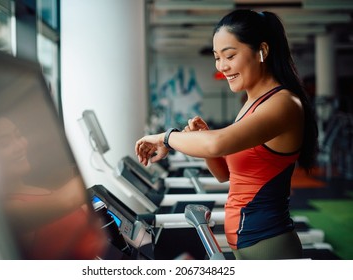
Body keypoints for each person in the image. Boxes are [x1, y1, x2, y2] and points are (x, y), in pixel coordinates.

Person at [135, 9, 318, 260]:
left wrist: (165, 137)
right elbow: (225, 174)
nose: (222, 67)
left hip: (268, 242)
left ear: (262, 51)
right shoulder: (251, 104)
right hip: (246, 241)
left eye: (229, 55)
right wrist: (204, 137)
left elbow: (217, 144)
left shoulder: (283, 103)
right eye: (216, 57)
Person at [0, 115, 107, 259]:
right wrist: (97, 160)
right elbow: (67, 200)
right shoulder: (7, 211)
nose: (19, 146)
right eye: (4, 144)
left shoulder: (41, 191)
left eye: (18, 135)